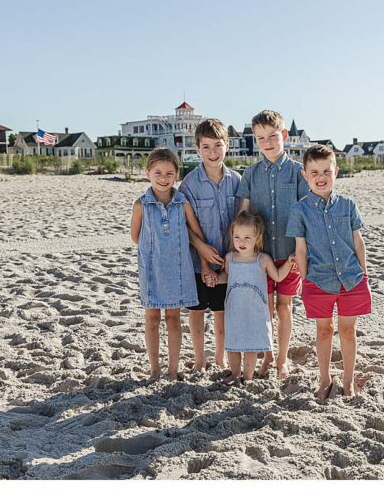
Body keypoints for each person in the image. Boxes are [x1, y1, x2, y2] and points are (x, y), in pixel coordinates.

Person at [286, 144, 372, 401]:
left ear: (336, 172)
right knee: (324, 330)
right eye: (314, 172)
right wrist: (305, 279)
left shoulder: (347, 205)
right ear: (305, 175)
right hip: (318, 280)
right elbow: (300, 249)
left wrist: (364, 274)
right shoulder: (299, 210)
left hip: (351, 278)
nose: (320, 177)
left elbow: (358, 242)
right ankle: (324, 379)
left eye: (326, 171)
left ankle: (348, 381)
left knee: (348, 331)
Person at [236, 109, 308, 379]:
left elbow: (306, 214)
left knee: (284, 307)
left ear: (284, 135)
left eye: (272, 136)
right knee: (264, 306)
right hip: (261, 257)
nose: (267, 142)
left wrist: (302, 253)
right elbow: (243, 214)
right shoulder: (251, 174)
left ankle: (282, 359)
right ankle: (267, 356)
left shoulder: (298, 173)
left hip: (289, 255)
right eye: (261, 138)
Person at [130, 147, 206, 379]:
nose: (163, 179)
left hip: (177, 269)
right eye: (158, 173)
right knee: (152, 319)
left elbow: (196, 232)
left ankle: (173, 369)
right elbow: (135, 236)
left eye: (169, 173)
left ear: (177, 175)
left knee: (173, 318)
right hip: (151, 270)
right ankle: (155, 369)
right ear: (147, 173)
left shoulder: (182, 203)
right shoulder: (141, 204)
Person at [178, 117, 241, 372]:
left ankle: (220, 357)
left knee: (221, 311)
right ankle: (199, 359)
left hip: (228, 259)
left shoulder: (237, 181)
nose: (212, 152)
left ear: (227, 145)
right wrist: (203, 256)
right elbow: (187, 226)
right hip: (196, 260)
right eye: (206, 147)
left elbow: (240, 222)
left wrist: (229, 257)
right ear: (197, 149)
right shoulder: (189, 184)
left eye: (218, 145)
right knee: (197, 310)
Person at [210, 211, 295, 384]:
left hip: (255, 310)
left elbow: (278, 276)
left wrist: (288, 263)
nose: (241, 242)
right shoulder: (230, 258)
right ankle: (235, 373)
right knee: (233, 342)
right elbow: (227, 276)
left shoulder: (262, 259)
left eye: (247, 237)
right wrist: (216, 279)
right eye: (237, 237)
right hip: (235, 309)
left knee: (251, 345)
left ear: (257, 237)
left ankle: (248, 376)